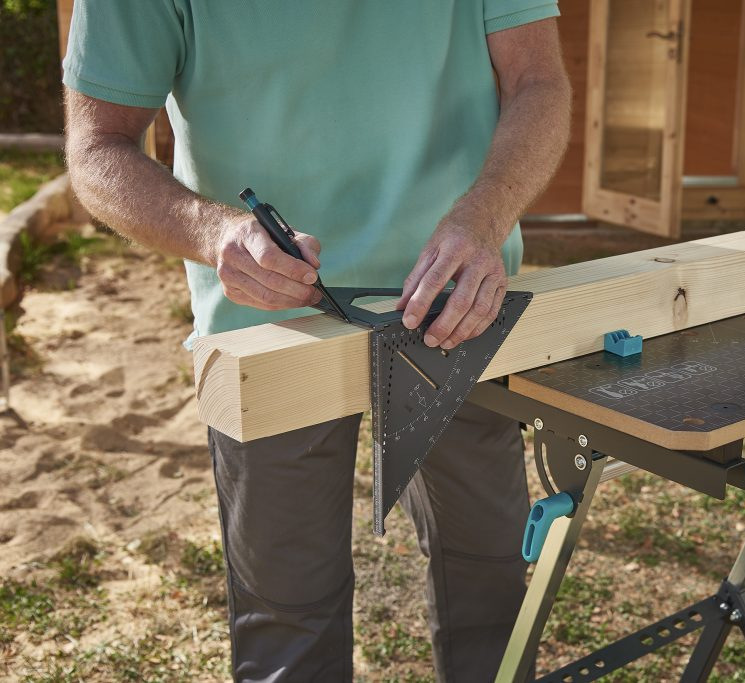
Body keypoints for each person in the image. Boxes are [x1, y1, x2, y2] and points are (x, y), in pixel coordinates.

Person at [62, 2, 571, 681]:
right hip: (267, 331)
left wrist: (485, 215)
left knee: (490, 581)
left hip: (459, 305)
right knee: (289, 616)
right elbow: (97, 147)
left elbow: (538, 82)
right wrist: (216, 233)